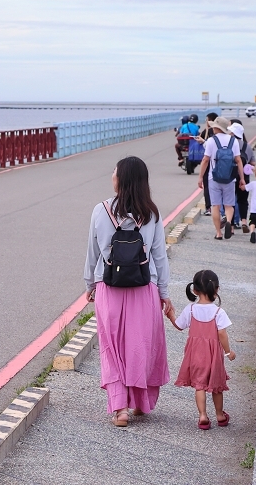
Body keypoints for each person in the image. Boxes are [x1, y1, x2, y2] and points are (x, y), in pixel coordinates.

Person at [84, 156, 172, 428]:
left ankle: (119, 408)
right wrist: (164, 292)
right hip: (144, 287)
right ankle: (140, 403)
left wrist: (89, 284)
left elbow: (93, 252)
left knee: (112, 348)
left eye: (114, 171)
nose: (112, 175)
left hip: (108, 287)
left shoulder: (101, 210)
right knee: (138, 346)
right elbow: (160, 256)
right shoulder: (152, 214)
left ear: (121, 179)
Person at [165, 269, 235, 430]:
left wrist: (171, 316)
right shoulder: (218, 312)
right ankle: (220, 415)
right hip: (214, 355)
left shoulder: (190, 309)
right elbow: (222, 333)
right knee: (216, 386)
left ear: (194, 290)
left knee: (200, 385)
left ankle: (203, 415)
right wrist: (228, 351)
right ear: (216, 290)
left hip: (195, 353)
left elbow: (179, 325)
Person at [197, 117, 246, 240]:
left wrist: (200, 177)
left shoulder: (211, 141)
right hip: (230, 178)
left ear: (216, 128)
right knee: (229, 205)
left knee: (215, 206)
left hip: (214, 178)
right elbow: (238, 160)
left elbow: (205, 160)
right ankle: (229, 221)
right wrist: (242, 178)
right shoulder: (233, 141)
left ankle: (218, 233)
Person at [228, 121, 255, 231]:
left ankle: (232, 227)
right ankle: (244, 221)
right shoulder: (247, 146)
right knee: (243, 200)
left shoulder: (230, 144)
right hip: (245, 177)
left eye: (230, 131)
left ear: (233, 133)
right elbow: (253, 163)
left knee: (231, 201)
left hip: (232, 176)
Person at [196, 112, 218, 215]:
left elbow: (208, 147)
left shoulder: (207, 131)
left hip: (208, 161)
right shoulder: (222, 133)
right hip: (218, 162)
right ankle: (217, 207)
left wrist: (202, 141)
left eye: (206, 119)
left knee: (207, 184)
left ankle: (209, 207)